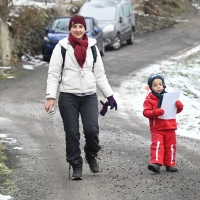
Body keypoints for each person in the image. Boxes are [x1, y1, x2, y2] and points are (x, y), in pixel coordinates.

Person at [44, 15, 117, 180]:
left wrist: (110, 96)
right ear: (70, 28)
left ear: (85, 29)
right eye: (74, 26)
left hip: (89, 96)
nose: (78, 29)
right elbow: (53, 74)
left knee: (92, 130)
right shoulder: (61, 47)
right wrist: (50, 97)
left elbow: (100, 75)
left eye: (81, 27)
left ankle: (91, 154)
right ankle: (76, 163)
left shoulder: (92, 48)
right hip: (68, 96)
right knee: (72, 133)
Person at [143, 74, 184, 173]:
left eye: (160, 84)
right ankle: (156, 163)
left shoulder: (169, 98)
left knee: (171, 146)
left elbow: (174, 111)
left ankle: (170, 164)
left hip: (170, 126)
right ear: (151, 87)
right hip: (157, 128)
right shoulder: (149, 100)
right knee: (157, 145)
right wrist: (155, 112)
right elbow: (146, 112)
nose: (158, 86)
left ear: (163, 85)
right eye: (155, 85)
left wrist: (179, 106)